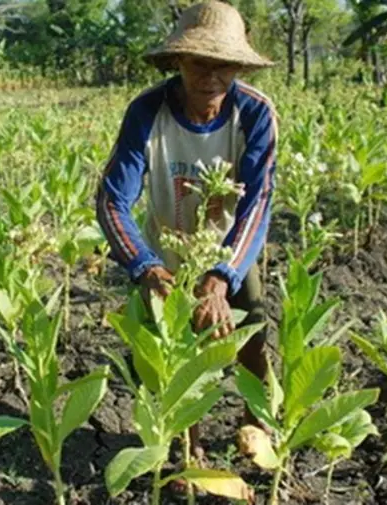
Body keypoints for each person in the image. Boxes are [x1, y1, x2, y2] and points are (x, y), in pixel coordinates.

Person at [95, 1, 278, 457]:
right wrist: (147, 269)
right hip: (164, 255)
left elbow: (258, 200)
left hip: (228, 251)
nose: (211, 76)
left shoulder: (254, 113)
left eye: (225, 65)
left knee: (251, 330)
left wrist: (221, 276)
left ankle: (258, 426)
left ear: (239, 65)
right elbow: (113, 199)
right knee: (168, 357)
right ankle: (183, 449)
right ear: (179, 60)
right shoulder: (147, 112)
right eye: (200, 62)